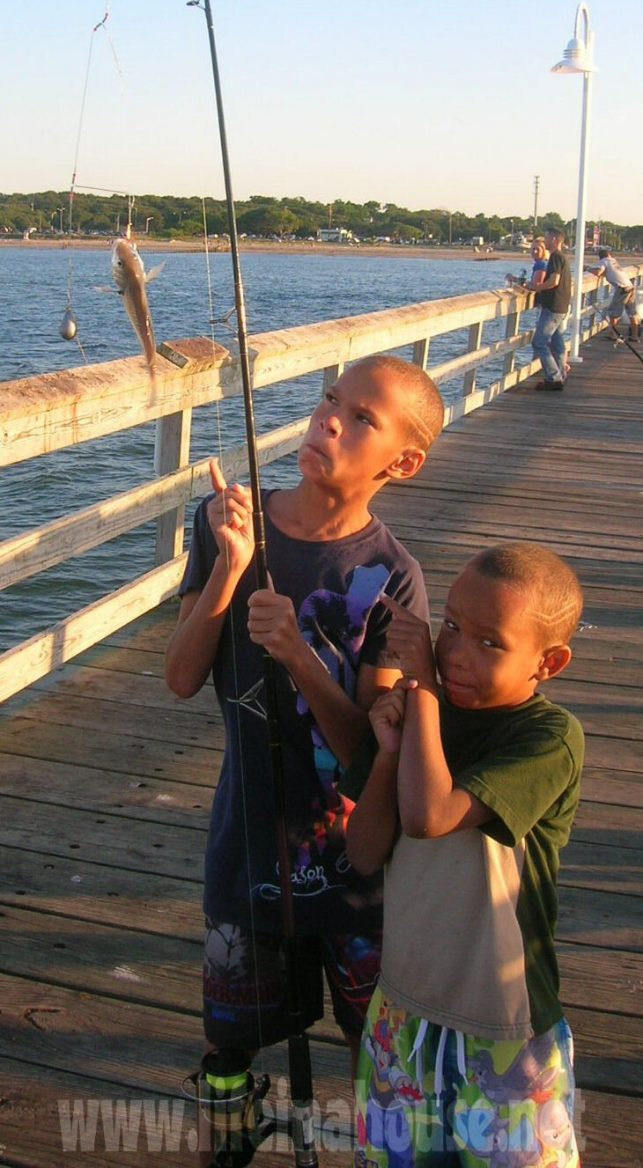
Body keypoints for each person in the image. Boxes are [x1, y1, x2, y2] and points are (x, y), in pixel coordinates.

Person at [165, 355, 445, 1109]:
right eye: (330, 400)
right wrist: (231, 569)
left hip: (356, 870)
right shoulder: (225, 516)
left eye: (362, 419)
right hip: (246, 845)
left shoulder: (392, 575)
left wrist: (298, 657)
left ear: (404, 461)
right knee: (227, 1048)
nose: (329, 419)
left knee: (378, 1050)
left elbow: (365, 751)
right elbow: (182, 676)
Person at [344, 541, 584, 1167]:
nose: (456, 653)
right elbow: (365, 852)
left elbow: (431, 815)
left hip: (504, 1028)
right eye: (450, 626)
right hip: (403, 1011)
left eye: (490, 642)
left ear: (548, 662)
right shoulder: (421, 715)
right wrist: (390, 752)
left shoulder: (548, 737)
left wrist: (420, 686)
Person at [525, 228, 571, 392]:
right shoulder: (561, 257)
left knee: (539, 342)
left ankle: (554, 377)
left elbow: (554, 281)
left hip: (553, 307)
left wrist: (538, 287)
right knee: (557, 344)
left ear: (556, 240)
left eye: (548, 238)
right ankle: (560, 375)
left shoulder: (556, 257)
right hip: (561, 306)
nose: (546, 240)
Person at [590, 248, 640, 342]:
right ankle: (635, 336)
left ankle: (612, 335)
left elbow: (598, 272)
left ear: (600, 257)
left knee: (613, 313)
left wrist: (588, 269)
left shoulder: (604, 261)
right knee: (632, 313)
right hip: (630, 287)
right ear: (609, 255)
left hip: (622, 290)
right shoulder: (613, 261)